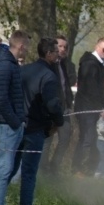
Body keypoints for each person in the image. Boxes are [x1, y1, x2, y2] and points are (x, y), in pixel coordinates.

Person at [12, 37, 64, 205]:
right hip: (35, 130)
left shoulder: (23, 70)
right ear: (49, 54)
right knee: (29, 173)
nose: (59, 55)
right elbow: (52, 104)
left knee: (8, 169)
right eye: (56, 51)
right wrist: (59, 121)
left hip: (16, 126)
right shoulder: (48, 76)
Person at [0, 30, 29, 205]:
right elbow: (1, 98)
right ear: (21, 46)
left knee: (5, 171)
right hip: (5, 126)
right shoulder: (5, 65)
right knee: (3, 171)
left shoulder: (9, 64)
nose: (27, 50)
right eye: (26, 46)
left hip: (9, 125)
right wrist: (15, 122)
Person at [72, 37, 104, 176]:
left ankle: (89, 169)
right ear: (97, 47)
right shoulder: (90, 63)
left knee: (92, 138)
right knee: (86, 139)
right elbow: (90, 88)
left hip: (94, 107)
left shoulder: (101, 64)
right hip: (85, 107)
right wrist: (100, 108)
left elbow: (101, 88)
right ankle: (77, 169)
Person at [43, 34, 76, 174]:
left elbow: (67, 86)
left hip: (64, 108)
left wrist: (69, 104)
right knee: (47, 140)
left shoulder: (65, 65)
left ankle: (54, 167)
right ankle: (43, 169)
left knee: (66, 136)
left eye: (65, 47)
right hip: (50, 109)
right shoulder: (48, 65)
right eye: (60, 47)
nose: (62, 50)